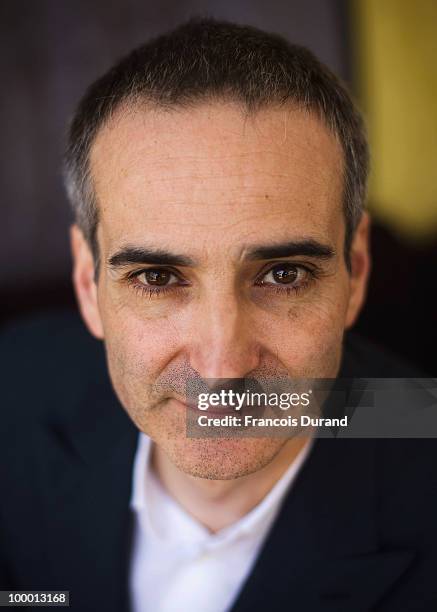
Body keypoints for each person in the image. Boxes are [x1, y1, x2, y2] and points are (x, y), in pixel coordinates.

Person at [1, 18, 436, 612]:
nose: (223, 366)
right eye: (157, 278)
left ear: (356, 271)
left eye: (284, 274)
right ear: (87, 280)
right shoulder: (14, 390)